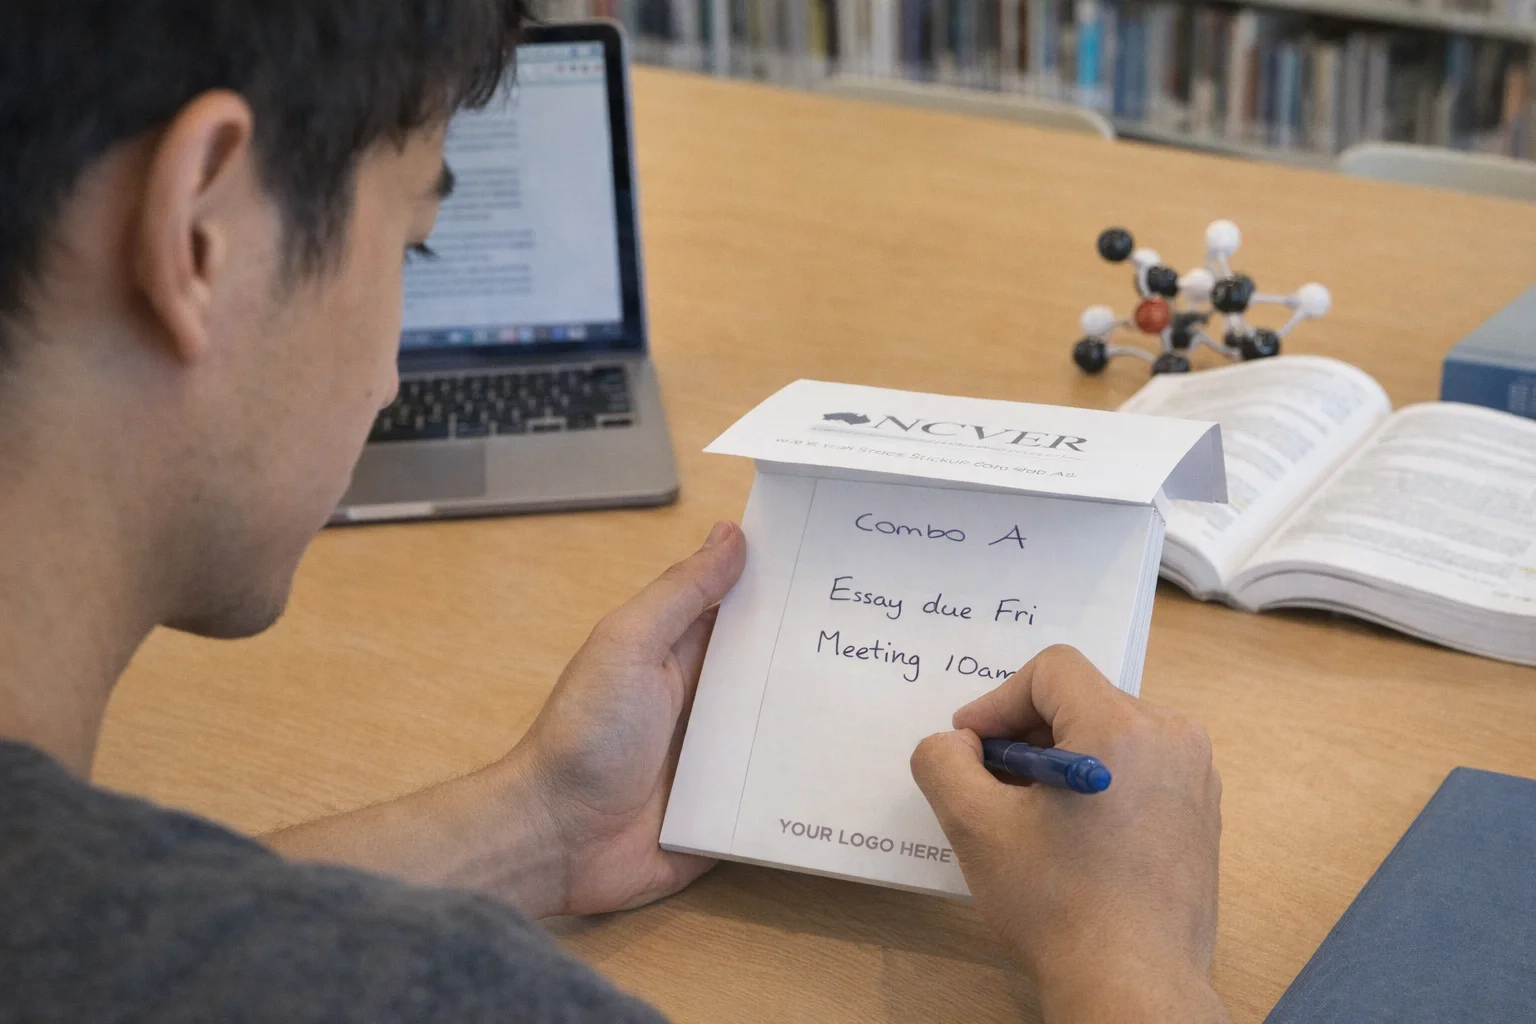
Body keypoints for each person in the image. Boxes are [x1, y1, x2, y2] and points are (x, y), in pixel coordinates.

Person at [0, 2, 1227, 1021]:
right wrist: (1133, 964)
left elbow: (124, 931)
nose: (388, 379)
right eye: (413, 246)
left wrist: (541, 821)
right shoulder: (442, 995)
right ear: (202, 234)